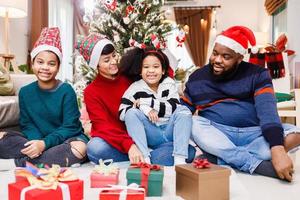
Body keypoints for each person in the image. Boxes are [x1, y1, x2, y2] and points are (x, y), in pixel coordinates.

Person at [182, 26, 300, 181]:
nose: (217, 60)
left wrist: (277, 149)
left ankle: (219, 158)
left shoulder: (258, 74)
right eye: (215, 53)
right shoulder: (197, 77)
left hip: (254, 134)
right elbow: (183, 111)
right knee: (191, 122)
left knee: (295, 133)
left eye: (226, 57)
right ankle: (254, 164)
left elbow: (267, 111)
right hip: (217, 133)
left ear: (239, 58)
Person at [75, 35, 190, 165]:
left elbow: (161, 73)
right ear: (96, 65)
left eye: (114, 55)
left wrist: (159, 51)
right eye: (106, 60)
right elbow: (104, 127)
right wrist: (129, 145)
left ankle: (148, 154)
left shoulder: (129, 75)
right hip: (117, 139)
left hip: (145, 132)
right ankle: (151, 155)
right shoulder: (92, 91)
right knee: (95, 148)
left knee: (186, 146)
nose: (113, 61)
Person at [0, 27, 89, 170]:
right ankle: (48, 160)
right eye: (40, 62)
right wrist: (37, 143)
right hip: (36, 141)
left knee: (80, 149)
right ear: (33, 63)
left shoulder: (66, 90)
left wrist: (44, 144)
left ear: (58, 67)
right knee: (2, 137)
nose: (45, 67)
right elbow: (27, 124)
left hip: (65, 140)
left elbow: (70, 127)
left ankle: (17, 163)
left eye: (51, 64)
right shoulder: (24, 92)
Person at [119, 47, 195, 165]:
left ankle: (179, 159)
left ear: (163, 70)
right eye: (146, 67)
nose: (151, 71)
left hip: (170, 130)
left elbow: (173, 108)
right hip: (152, 133)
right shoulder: (135, 88)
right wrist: (143, 109)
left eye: (156, 67)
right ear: (140, 70)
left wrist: (146, 102)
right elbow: (122, 113)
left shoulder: (168, 83)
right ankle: (145, 158)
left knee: (183, 110)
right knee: (131, 113)